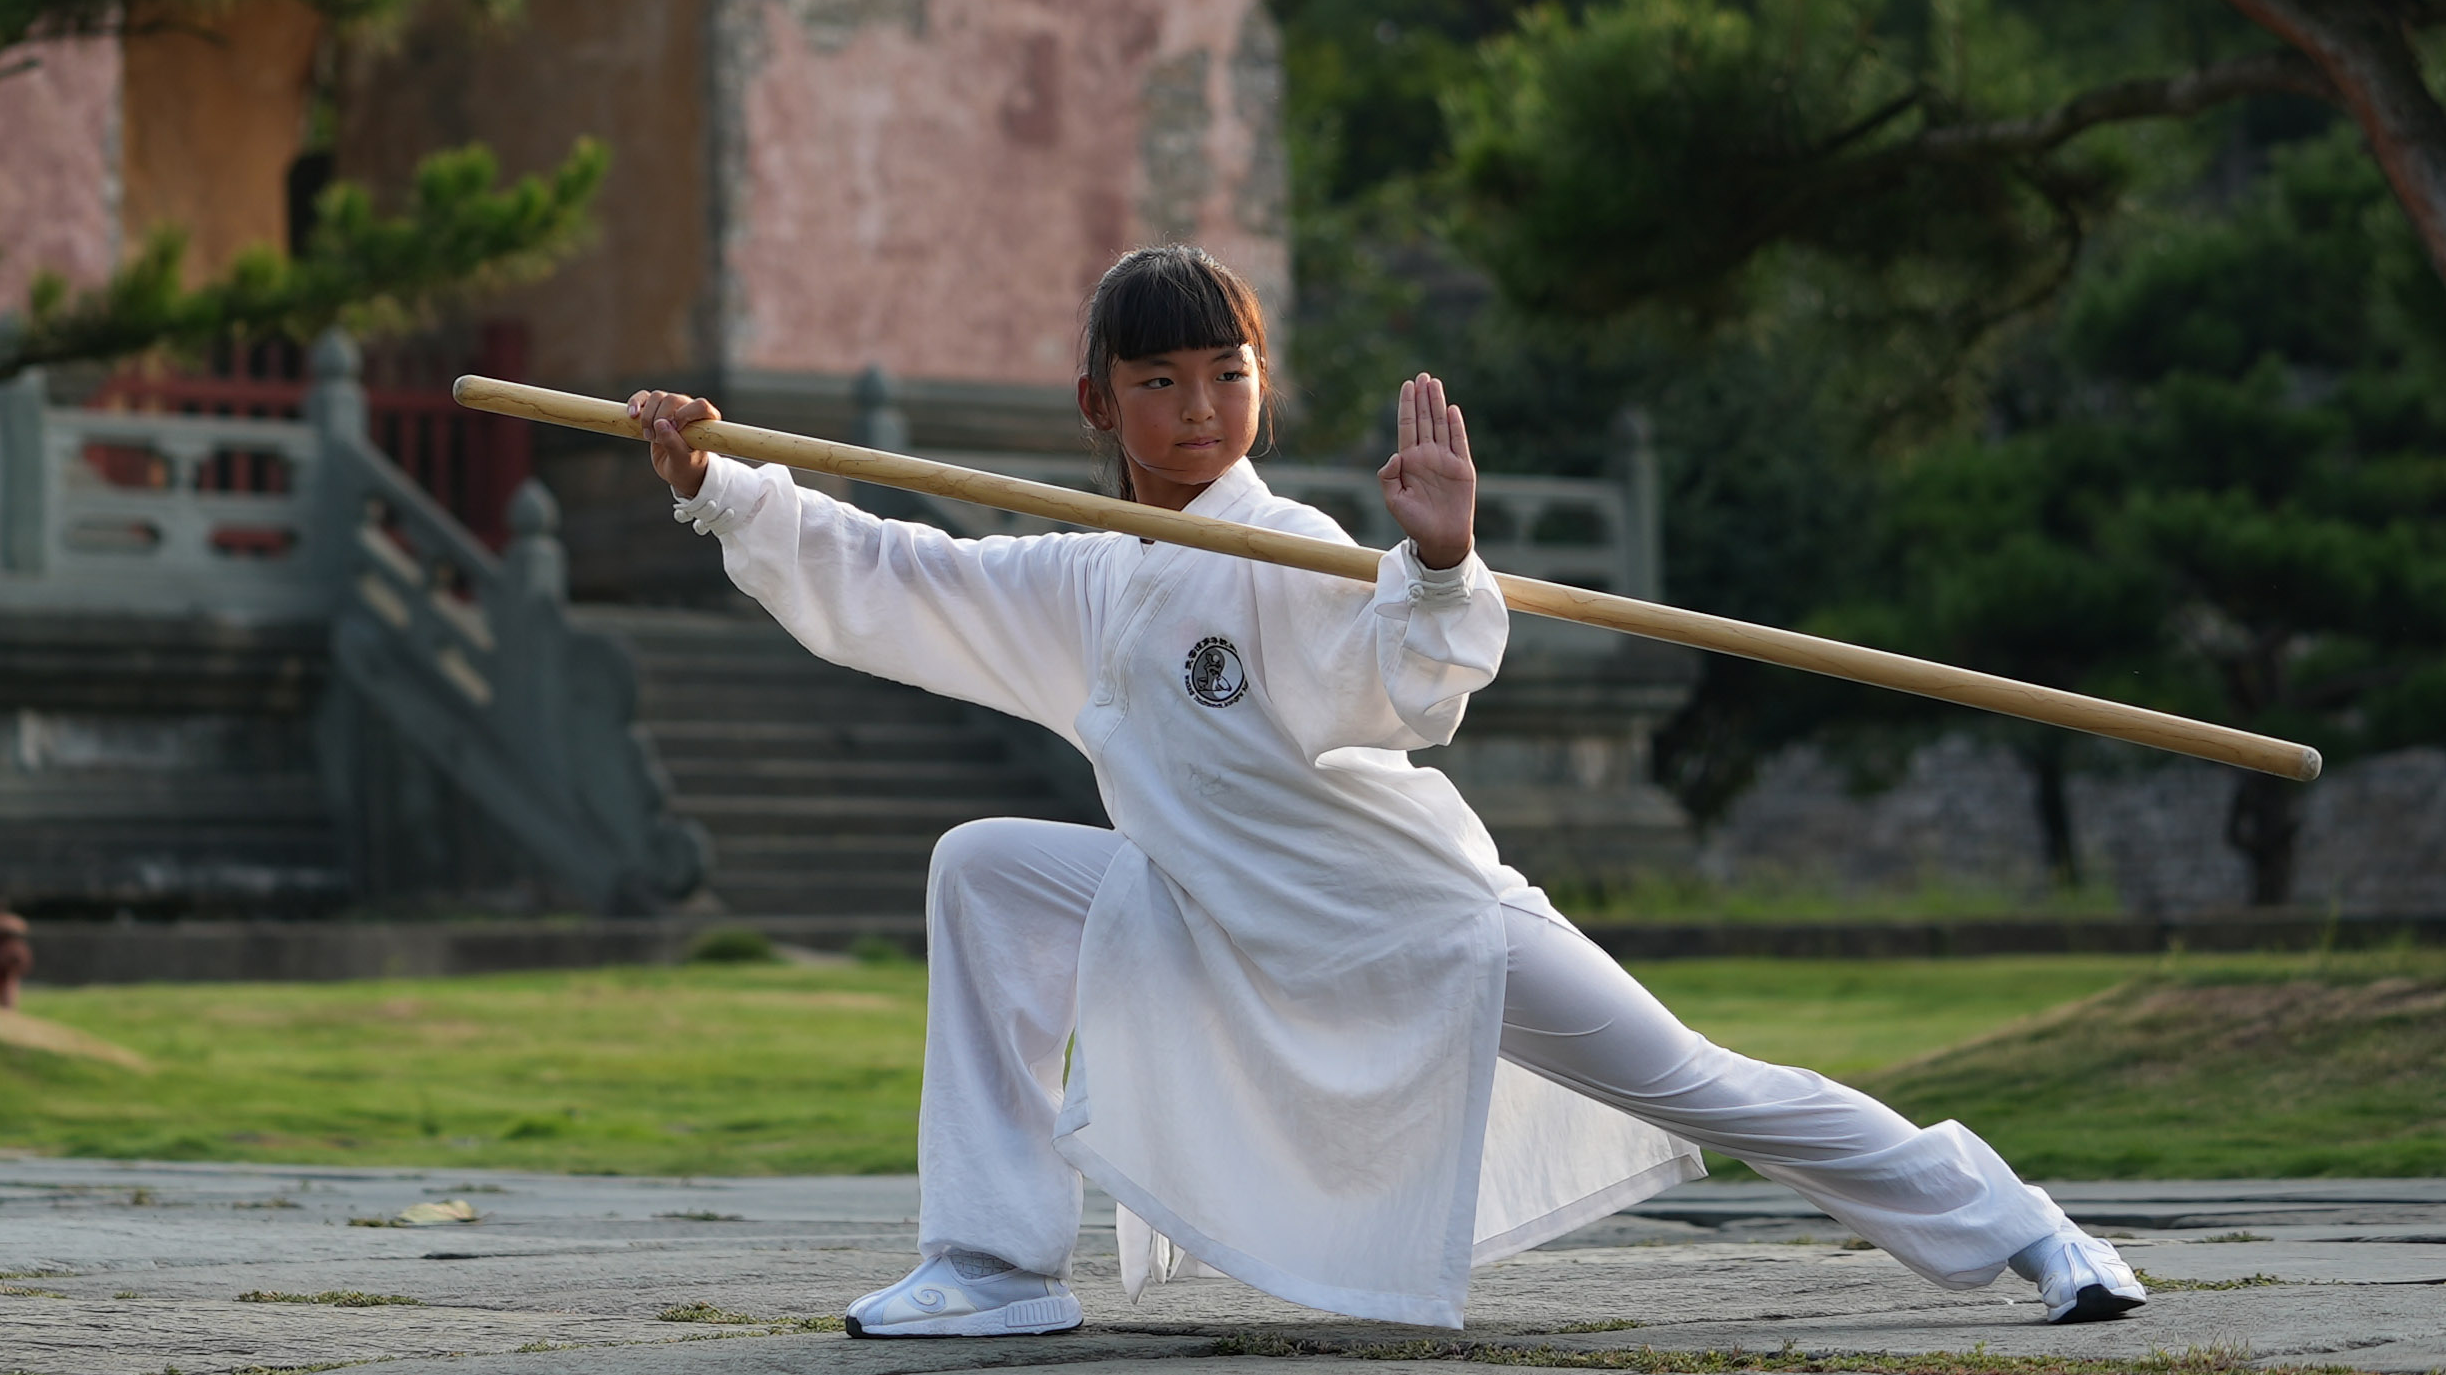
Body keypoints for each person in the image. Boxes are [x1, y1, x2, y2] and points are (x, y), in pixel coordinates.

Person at [632, 245, 2146, 1336]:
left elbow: (1399, 687)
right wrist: (722, 488)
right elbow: (907, 575)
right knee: (986, 866)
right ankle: (990, 1261)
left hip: (1415, 924)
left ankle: (2027, 1229)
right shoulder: (1085, 578)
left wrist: (1431, 563)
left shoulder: (1277, 549)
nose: (1195, 408)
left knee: (1704, 1082)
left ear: (1260, 388)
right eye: (1156, 381)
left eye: (1224, 374)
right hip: (1220, 928)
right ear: (1095, 402)